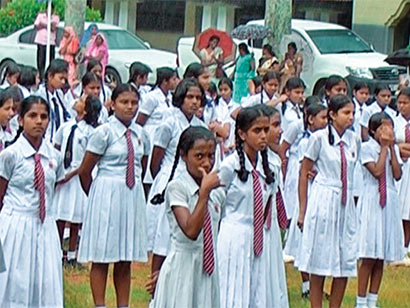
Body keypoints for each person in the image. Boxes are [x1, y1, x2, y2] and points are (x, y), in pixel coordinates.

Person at [78, 84, 149, 308]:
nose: (129, 107)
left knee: (124, 256)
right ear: (113, 104)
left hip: (130, 195)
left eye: (134, 103)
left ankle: (123, 304)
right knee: (101, 255)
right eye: (124, 102)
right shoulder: (104, 132)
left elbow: (142, 165)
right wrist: (98, 196)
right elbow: (85, 171)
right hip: (106, 194)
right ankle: (100, 304)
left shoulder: (141, 134)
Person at [0, 96, 64, 308]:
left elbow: (51, 189)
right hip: (15, 225)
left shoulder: (53, 157)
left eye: (44, 117)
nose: (39, 122)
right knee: (15, 281)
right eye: (32, 116)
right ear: (20, 120)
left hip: (44, 226)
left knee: (44, 281)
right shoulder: (10, 155)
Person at [298, 94, 360, 308]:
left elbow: (352, 170)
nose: (350, 117)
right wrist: (302, 211)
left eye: (353, 113)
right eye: (346, 113)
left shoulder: (354, 140)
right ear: (332, 115)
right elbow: (304, 171)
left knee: (345, 259)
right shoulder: (318, 139)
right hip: (324, 199)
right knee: (320, 258)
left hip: (345, 204)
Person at [151, 126, 224, 307]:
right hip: (183, 267)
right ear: (184, 155)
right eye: (199, 156)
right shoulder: (177, 188)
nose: (207, 163)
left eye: (211, 156)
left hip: (207, 267)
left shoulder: (218, 191)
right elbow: (190, 230)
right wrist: (204, 193)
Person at [146, 78, 206, 283]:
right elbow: (157, 157)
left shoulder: (200, 125)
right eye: (190, 97)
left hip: (193, 182)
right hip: (169, 177)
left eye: (198, 98)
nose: (194, 102)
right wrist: (162, 180)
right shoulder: (169, 122)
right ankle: (156, 287)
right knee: (163, 237)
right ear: (180, 97)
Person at [217, 105, 276, 307]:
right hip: (234, 236)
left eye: (266, 130)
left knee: (256, 290)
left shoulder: (269, 168)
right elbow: (216, 204)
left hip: (258, 237)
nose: (263, 136)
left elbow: (266, 207)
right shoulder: (229, 167)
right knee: (233, 290)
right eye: (257, 131)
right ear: (242, 134)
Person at [356, 112, 403, 308]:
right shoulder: (367, 148)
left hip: (389, 201)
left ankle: (372, 300)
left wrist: (391, 149)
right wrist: (384, 148)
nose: (388, 132)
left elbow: (397, 174)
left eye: (390, 127)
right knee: (369, 254)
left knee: (381, 255)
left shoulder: (394, 149)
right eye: (384, 128)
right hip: (372, 199)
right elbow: (376, 171)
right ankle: (360, 300)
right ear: (374, 130)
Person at [283, 99, 328, 298]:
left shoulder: (325, 139)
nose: (326, 121)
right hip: (308, 192)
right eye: (323, 118)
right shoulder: (305, 142)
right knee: (304, 239)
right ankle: (306, 285)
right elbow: (305, 170)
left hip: (319, 191)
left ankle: (315, 285)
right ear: (310, 119)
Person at [53, 95, 101, 267]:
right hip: (63, 174)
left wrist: (72, 174)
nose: (77, 101)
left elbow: (86, 160)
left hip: (77, 176)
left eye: (81, 100)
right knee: (60, 214)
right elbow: (57, 147)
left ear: (86, 110)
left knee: (76, 217)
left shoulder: (90, 132)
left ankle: (72, 254)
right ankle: (58, 252)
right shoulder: (66, 127)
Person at [264, 106, 290, 307]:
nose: (280, 131)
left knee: (272, 274)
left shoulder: (274, 159)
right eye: (275, 125)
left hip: (270, 228)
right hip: (252, 229)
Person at [36, 59, 72, 143]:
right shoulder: (40, 96)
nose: (63, 82)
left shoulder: (59, 94)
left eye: (65, 79)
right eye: (61, 78)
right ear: (50, 76)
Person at [394, 87, 410, 265]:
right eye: (399, 103)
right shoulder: (393, 121)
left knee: (408, 210)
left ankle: (405, 246)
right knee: (398, 208)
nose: (402, 106)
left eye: (406, 103)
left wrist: (402, 146)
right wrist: (400, 147)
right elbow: (393, 145)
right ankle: (397, 247)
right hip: (398, 168)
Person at [352, 82, 370, 202]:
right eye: (361, 93)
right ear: (354, 93)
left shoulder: (367, 110)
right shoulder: (351, 107)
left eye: (366, 94)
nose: (364, 96)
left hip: (360, 147)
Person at [34, 4, 60, 79]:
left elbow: (53, 28)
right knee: (40, 61)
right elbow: (37, 26)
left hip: (51, 42)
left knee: (51, 61)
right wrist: (48, 25)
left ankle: (49, 77)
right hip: (41, 42)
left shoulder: (55, 18)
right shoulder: (40, 16)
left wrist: (44, 25)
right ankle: (41, 77)